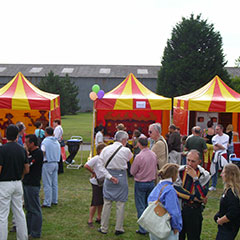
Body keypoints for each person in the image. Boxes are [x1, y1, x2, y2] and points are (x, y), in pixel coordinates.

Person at [98, 130, 133, 235]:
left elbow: (100, 166)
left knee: (107, 203)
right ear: (123, 140)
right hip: (121, 176)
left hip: (109, 176)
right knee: (120, 204)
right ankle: (119, 228)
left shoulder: (105, 149)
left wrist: (109, 176)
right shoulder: (126, 150)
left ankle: (104, 227)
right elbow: (129, 158)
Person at [0, 124, 29, 240]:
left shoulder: (2, 149)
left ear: (6, 136)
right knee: (19, 212)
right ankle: (23, 237)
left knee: (3, 214)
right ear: (17, 136)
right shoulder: (22, 150)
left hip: (4, 183)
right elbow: (27, 169)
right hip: (18, 182)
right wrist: (19, 176)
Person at [174, 150, 211, 240]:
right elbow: (175, 189)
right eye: (188, 160)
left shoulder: (204, 174)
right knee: (179, 236)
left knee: (194, 237)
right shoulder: (180, 171)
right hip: (180, 209)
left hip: (194, 211)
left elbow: (201, 196)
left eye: (193, 161)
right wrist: (192, 197)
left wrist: (195, 178)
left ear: (199, 162)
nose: (189, 164)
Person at [130, 137, 158, 235]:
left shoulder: (139, 156)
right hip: (151, 182)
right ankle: (149, 226)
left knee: (140, 206)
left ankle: (143, 228)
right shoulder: (153, 154)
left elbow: (133, 171)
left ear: (139, 144)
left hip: (141, 182)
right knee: (148, 206)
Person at [148, 163, 182, 240]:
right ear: (174, 175)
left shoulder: (157, 187)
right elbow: (174, 212)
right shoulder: (170, 190)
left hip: (154, 225)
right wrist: (176, 226)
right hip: (166, 228)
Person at [23, 134, 44, 239]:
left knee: (35, 209)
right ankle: (28, 229)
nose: (25, 145)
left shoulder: (38, 153)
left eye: (27, 142)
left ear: (32, 143)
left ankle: (35, 232)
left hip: (33, 184)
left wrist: (26, 154)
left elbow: (29, 164)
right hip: (26, 183)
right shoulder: (30, 153)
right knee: (28, 208)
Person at [214, 164, 240, 240]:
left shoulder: (232, 193)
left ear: (229, 175)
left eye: (223, 173)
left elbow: (233, 212)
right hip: (226, 228)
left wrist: (220, 221)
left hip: (228, 228)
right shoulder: (229, 190)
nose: (221, 175)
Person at [84, 143, 106, 228]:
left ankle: (99, 217)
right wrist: (93, 172)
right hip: (96, 182)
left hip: (103, 182)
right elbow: (86, 165)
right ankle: (90, 220)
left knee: (101, 201)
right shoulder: (96, 158)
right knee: (95, 201)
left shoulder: (104, 159)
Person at [41, 126, 61, 208]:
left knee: (47, 183)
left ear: (46, 133)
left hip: (47, 162)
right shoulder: (56, 141)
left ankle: (47, 202)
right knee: (54, 182)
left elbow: (43, 151)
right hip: (56, 162)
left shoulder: (45, 141)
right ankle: (54, 199)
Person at [209, 124, 229, 191]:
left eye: (217, 129)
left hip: (223, 155)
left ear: (221, 129)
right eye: (216, 129)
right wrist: (221, 146)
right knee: (214, 170)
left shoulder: (226, 137)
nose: (216, 131)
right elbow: (215, 148)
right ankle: (213, 185)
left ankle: (227, 185)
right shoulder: (214, 137)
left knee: (225, 170)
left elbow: (224, 147)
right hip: (216, 154)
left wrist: (219, 145)